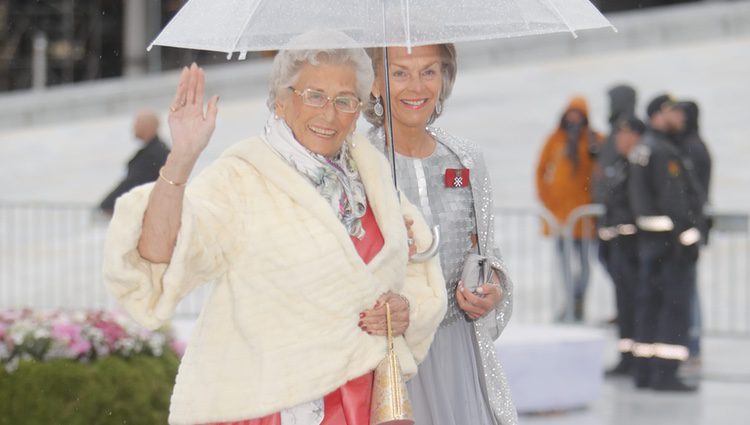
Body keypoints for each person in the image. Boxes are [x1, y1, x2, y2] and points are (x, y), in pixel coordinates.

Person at [102, 30, 447, 425]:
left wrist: (406, 310)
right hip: (271, 409)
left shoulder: (373, 174)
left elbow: (417, 266)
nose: (329, 114)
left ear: (359, 108)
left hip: (365, 403)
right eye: (313, 96)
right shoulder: (242, 178)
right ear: (281, 102)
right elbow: (160, 254)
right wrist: (180, 158)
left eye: (345, 100)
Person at [364, 45, 517, 425]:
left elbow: (486, 251)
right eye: (400, 72)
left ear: (444, 78)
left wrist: (491, 288)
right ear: (375, 83)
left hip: (458, 356)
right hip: (382, 362)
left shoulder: (465, 159)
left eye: (429, 71)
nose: (416, 86)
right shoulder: (355, 162)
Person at [628, 94, 704, 392]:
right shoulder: (661, 151)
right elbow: (675, 203)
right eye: (674, 112)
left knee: (649, 305)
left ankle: (645, 371)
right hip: (669, 247)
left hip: (650, 244)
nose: (681, 117)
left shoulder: (644, 148)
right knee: (671, 307)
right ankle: (665, 374)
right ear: (659, 114)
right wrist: (689, 238)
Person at [535, 97, 604, 321]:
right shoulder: (555, 140)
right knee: (564, 265)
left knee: (585, 265)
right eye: (571, 113)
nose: (574, 118)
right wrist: (548, 200)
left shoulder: (594, 140)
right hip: (561, 217)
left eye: (578, 114)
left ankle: (577, 300)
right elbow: (540, 171)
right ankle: (569, 303)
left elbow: (604, 169)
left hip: (584, 216)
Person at [598, 116, 646, 376]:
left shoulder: (640, 166)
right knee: (624, 308)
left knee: (636, 306)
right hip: (618, 250)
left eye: (626, 134)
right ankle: (626, 357)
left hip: (634, 250)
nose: (620, 139)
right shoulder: (621, 165)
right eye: (618, 134)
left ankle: (638, 359)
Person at [675, 100, 712, 362]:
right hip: (691, 226)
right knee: (687, 286)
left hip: (690, 227)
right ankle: (691, 342)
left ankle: (694, 343)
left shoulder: (693, 148)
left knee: (688, 287)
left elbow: (694, 193)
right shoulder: (692, 145)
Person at [99, 110, 170, 214]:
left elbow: (136, 183)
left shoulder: (155, 153)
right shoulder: (152, 151)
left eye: (136, 124)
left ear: (147, 126)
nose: (133, 128)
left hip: (148, 213)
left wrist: (109, 204)